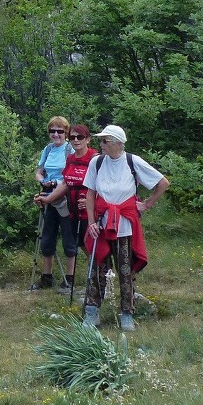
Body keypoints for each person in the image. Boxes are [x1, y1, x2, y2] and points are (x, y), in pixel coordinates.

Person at [82, 124, 169, 331]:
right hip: (102, 223)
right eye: (101, 140)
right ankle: (91, 312)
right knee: (97, 267)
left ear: (119, 143)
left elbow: (163, 183)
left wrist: (147, 204)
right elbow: (90, 194)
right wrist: (91, 222)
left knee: (125, 269)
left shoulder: (132, 161)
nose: (101, 144)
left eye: (106, 141)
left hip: (124, 225)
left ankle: (127, 313)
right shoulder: (97, 162)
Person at [37, 124, 98, 292]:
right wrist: (47, 199)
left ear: (88, 139)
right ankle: (96, 282)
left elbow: (106, 184)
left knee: (93, 247)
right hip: (73, 209)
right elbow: (65, 183)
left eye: (80, 137)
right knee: (82, 244)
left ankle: (101, 282)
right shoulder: (70, 159)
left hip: (90, 211)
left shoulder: (95, 158)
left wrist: (93, 202)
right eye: (73, 137)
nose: (76, 140)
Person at [30, 116, 75, 292]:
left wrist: (56, 183)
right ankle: (46, 277)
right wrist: (43, 181)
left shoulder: (70, 149)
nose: (56, 134)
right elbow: (39, 172)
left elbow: (71, 174)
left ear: (66, 132)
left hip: (65, 197)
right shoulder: (48, 149)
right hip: (47, 195)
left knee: (68, 236)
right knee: (47, 236)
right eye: (52, 131)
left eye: (60, 131)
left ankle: (69, 278)